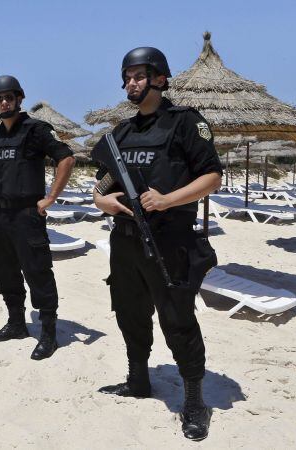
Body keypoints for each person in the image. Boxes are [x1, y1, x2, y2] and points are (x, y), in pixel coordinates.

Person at [92, 47, 223, 441]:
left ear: (160, 79)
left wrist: (168, 199)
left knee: (177, 319)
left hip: (169, 239)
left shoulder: (186, 123)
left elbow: (212, 176)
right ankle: (137, 379)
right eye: (127, 76)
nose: (131, 82)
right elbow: (103, 181)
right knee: (129, 312)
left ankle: (195, 400)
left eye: (139, 76)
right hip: (126, 241)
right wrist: (100, 200)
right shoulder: (121, 132)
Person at [0, 75, 75, 360]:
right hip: (0, 213)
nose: (5, 102)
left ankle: (48, 334)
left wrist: (50, 198)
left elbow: (67, 158)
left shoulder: (36, 129)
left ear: (19, 99)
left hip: (26, 214)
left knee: (38, 272)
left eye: (9, 97)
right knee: (5, 272)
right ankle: (16, 324)